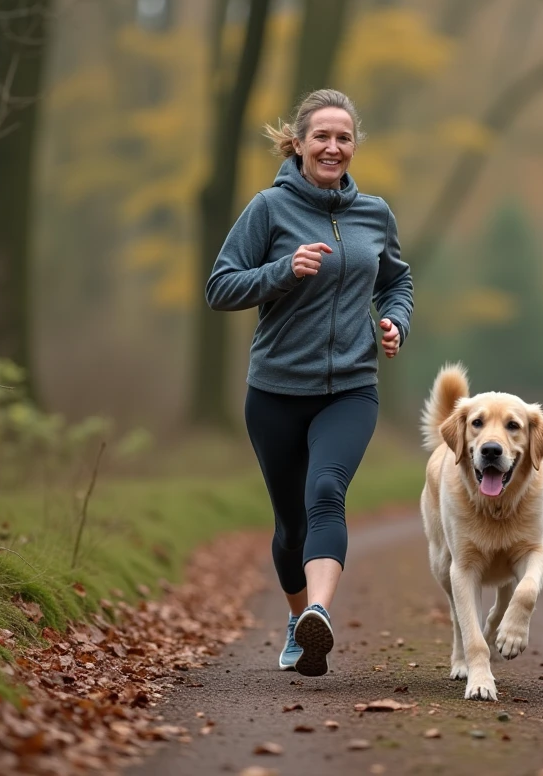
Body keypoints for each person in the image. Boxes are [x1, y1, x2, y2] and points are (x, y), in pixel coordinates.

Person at [205, 89, 413, 678]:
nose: (332, 146)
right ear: (298, 144)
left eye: (343, 137)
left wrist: (396, 320)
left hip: (351, 387)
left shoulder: (375, 214)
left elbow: (397, 280)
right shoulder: (268, 209)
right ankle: (299, 621)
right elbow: (220, 287)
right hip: (274, 392)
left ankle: (319, 609)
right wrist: (282, 271)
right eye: (321, 135)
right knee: (291, 523)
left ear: (354, 147)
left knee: (326, 489)